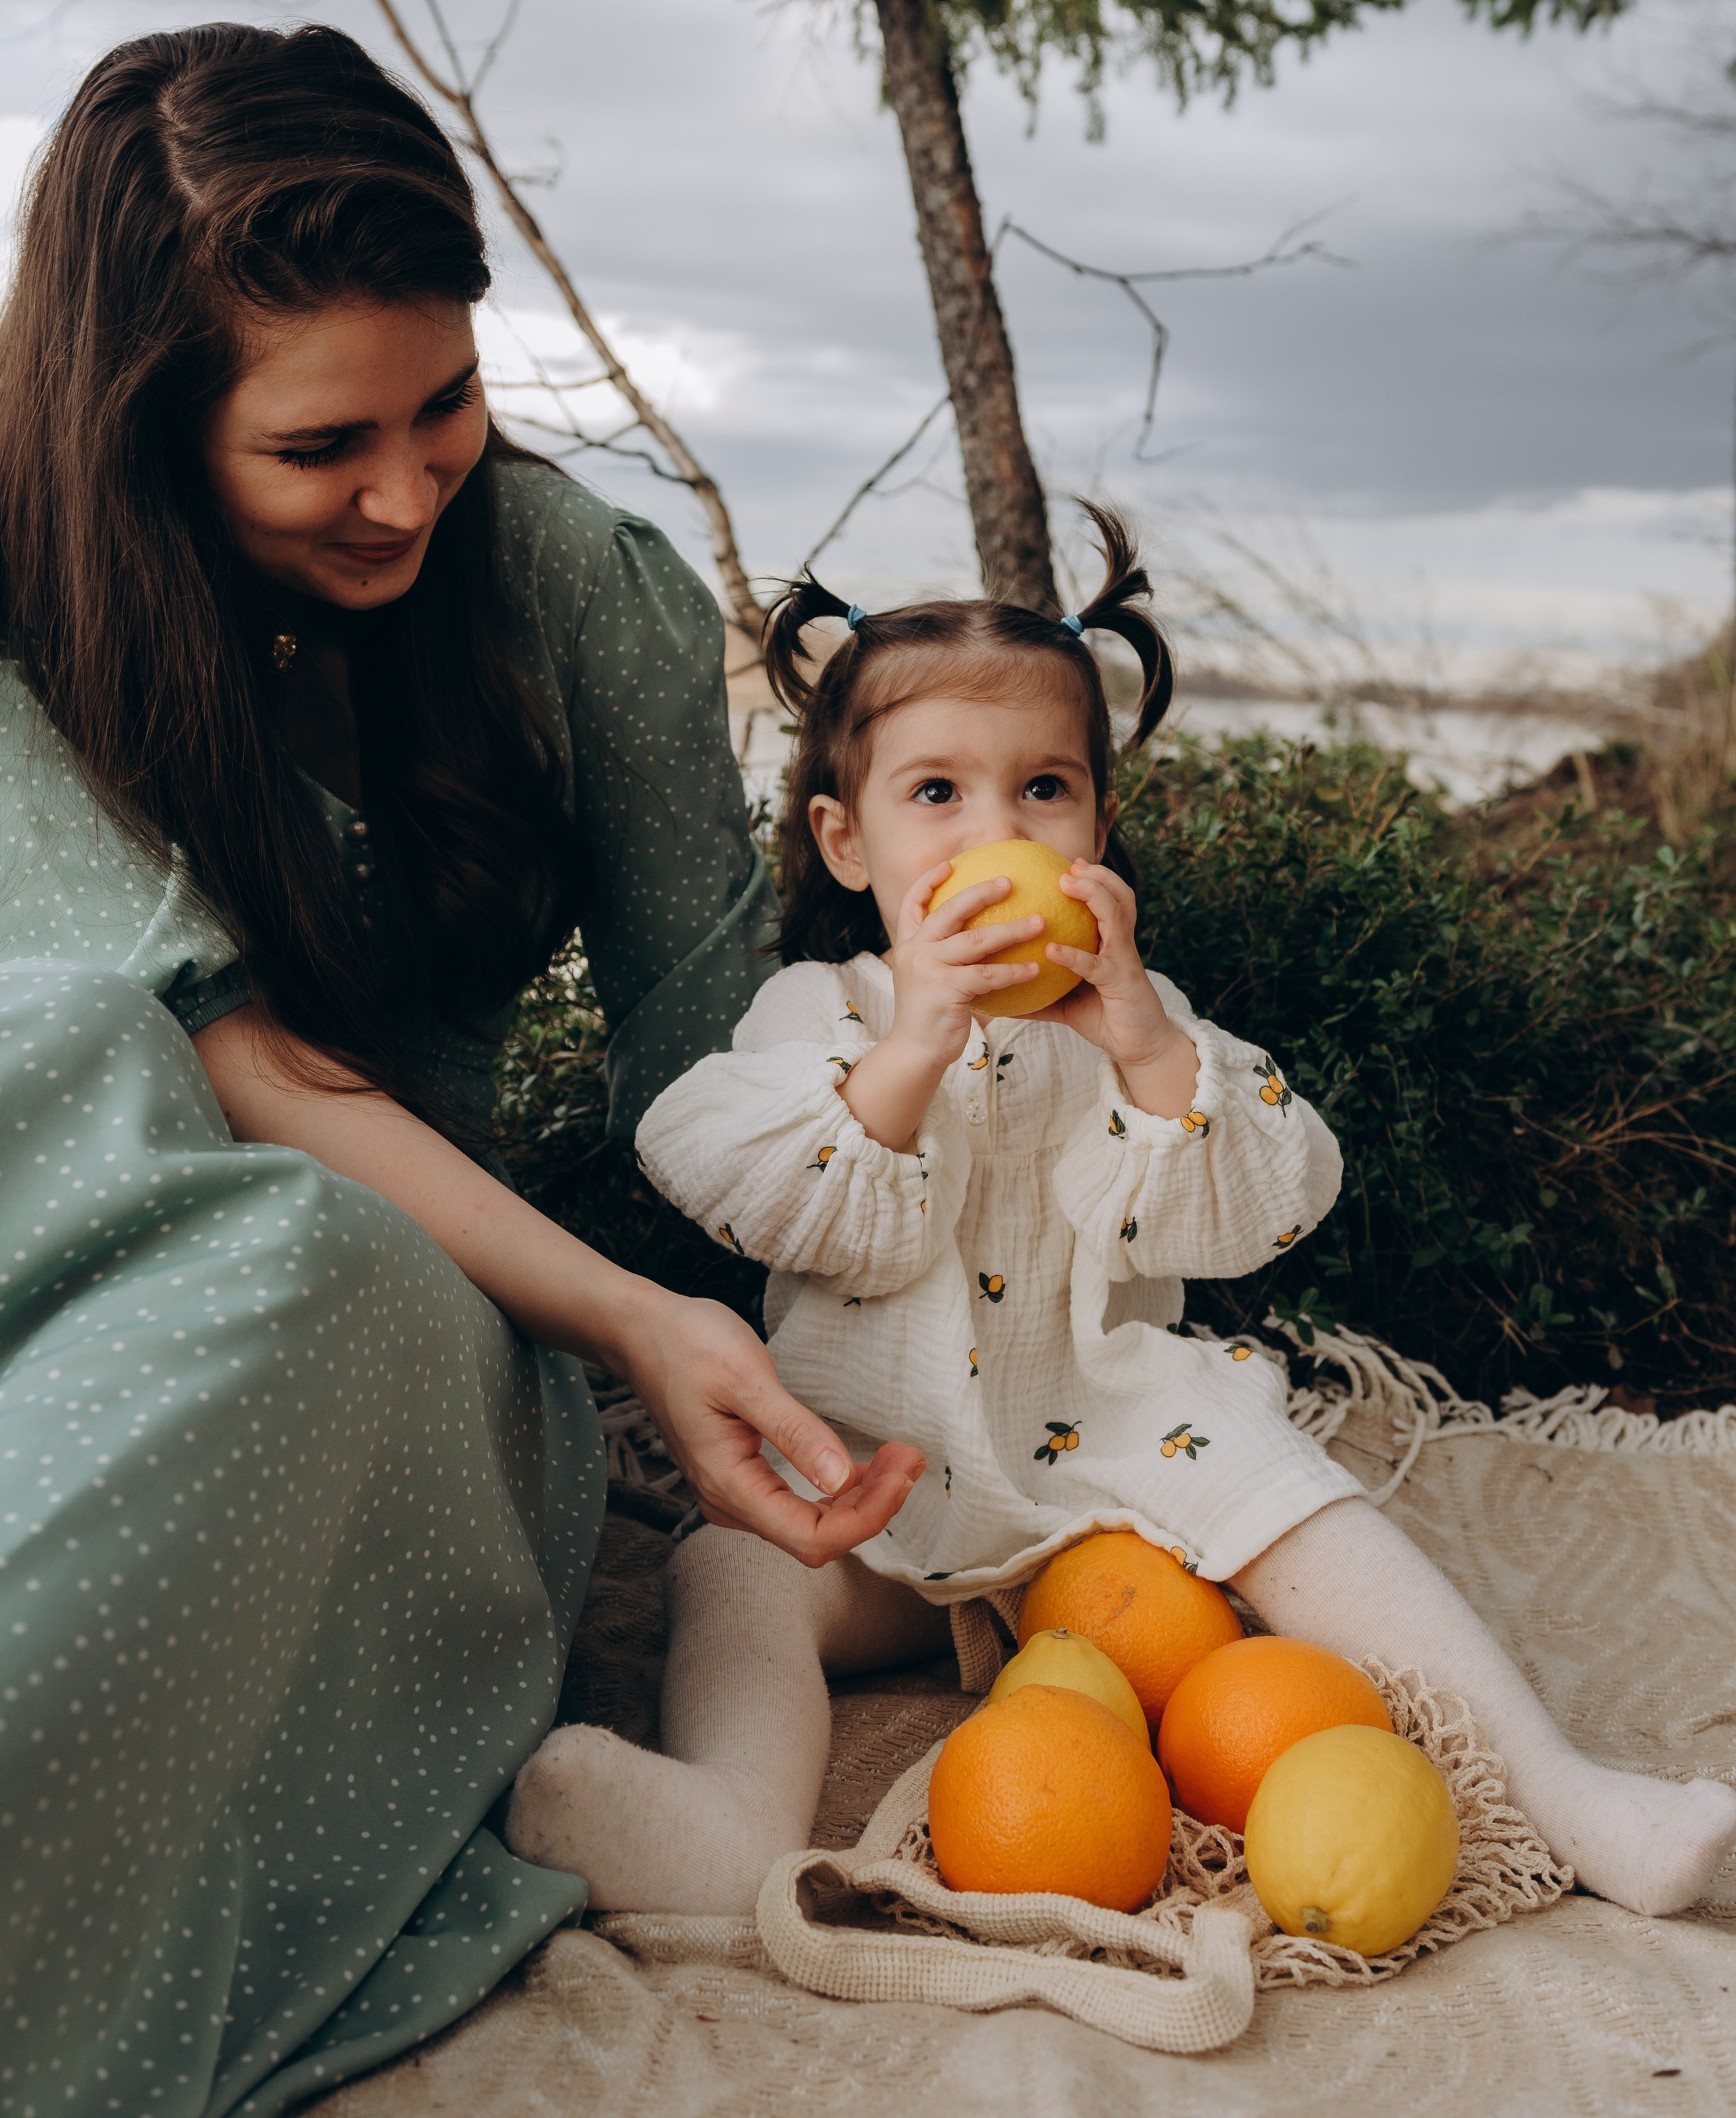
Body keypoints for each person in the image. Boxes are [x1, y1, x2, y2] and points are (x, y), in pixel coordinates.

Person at [0, 22, 920, 2118]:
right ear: (143, 431)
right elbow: (210, 1060)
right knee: (76, 1037)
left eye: (449, 402)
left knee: (314, 1267)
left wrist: (918, 1148)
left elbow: (719, 1098)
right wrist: (631, 1317)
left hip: (376, 1304)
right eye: (322, 447)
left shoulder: (571, 589)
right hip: (58, 1183)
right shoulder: (20, 592)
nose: (410, 488)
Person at [507, 511, 1736, 1923]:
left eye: (1042, 788)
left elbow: (1263, 1203)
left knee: (1299, 1509)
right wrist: (908, 1050)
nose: (997, 834)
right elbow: (745, 1185)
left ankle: (1563, 1789)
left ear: (1095, 823)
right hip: (877, 1494)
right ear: (845, 843)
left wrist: (1151, 1050)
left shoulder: (1135, 1028)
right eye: (937, 795)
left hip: (1113, 1481)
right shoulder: (821, 1014)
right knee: (735, 1569)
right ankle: (727, 1815)